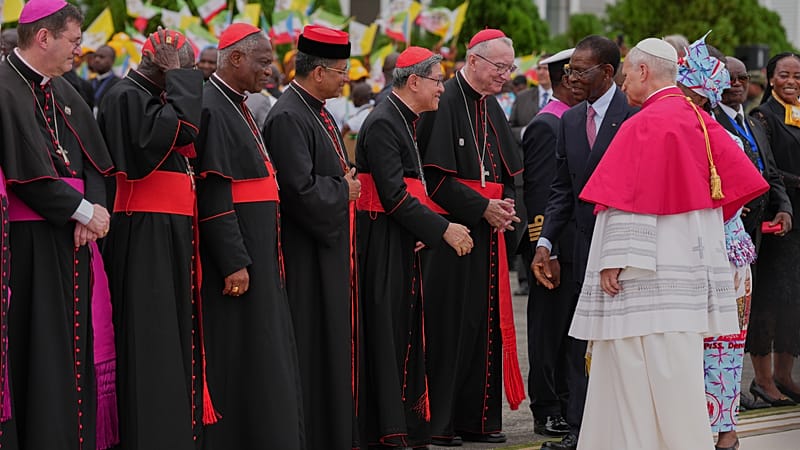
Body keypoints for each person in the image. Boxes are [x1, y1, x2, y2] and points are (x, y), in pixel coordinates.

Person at [570, 37, 768, 450]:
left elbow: (627, 202)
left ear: (644, 72)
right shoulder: (699, 120)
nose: (623, 84)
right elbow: (723, 200)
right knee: (677, 372)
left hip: (645, 275)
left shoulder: (644, 123)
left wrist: (615, 258)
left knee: (632, 368)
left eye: (626, 75)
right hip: (689, 275)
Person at [0, 1, 115, 448]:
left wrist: (90, 212)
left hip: (71, 242)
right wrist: (82, 211)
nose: (79, 51)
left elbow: (95, 163)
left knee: (71, 354)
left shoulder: (66, 92)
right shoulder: (5, 88)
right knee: (39, 352)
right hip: (28, 250)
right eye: (74, 40)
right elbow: (25, 172)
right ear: (44, 37)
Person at [356, 46, 474, 449]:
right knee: (389, 336)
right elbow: (392, 195)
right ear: (414, 81)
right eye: (439, 80)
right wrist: (443, 229)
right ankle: (387, 431)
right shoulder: (386, 122)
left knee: (404, 334)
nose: (443, 88)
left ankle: (403, 426)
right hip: (382, 243)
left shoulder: (404, 119)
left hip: (400, 238)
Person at [97, 28, 207, 449]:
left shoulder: (155, 97)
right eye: (185, 67)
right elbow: (177, 134)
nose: (190, 74)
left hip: (169, 229)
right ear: (162, 62)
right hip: (143, 229)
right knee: (150, 336)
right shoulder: (124, 96)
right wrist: (181, 78)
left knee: (172, 332)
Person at [195, 23, 304, 450]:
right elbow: (214, 193)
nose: (270, 71)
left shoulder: (238, 104)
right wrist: (233, 260)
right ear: (235, 59)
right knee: (241, 351)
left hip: (258, 245)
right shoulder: (210, 106)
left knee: (263, 349)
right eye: (263, 62)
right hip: (239, 256)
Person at [416, 28, 525, 446]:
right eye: (500, 67)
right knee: (449, 328)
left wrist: (507, 209)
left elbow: (508, 173)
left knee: (484, 328)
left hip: (488, 235)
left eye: (509, 68)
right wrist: (482, 208)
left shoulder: (492, 107)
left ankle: (477, 420)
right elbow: (433, 177)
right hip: (450, 234)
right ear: (474, 60)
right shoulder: (441, 102)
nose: (506, 75)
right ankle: (441, 423)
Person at [531, 35, 636, 450]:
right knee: (579, 343)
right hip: (578, 250)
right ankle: (580, 431)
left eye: (580, 70)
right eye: (569, 69)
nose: (570, 77)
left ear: (607, 73)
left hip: (621, 250)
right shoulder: (570, 121)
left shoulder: (633, 117)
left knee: (620, 345)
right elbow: (560, 190)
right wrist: (546, 243)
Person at [263, 24, 361, 450]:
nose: (346, 79)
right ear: (318, 72)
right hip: (306, 256)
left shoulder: (317, 109)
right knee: (313, 346)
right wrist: (345, 189)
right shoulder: (288, 115)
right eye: (341, 72)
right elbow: (298, 193)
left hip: (329, 249)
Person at [521, 48, 577, 439]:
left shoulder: (576, 121)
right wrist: (548, 248)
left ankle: (568, 398)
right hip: (554, 246)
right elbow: (539, 194)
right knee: (548, 330)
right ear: (567, 79)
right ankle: (547, 407)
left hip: (578, 244)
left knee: (571, 331)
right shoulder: (547, 124)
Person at [747, 52, 800, 407]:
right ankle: (763, 380)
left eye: (798, 76)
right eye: (784, 75)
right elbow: (768, 170)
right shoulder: (761, 118)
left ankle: (785, 375)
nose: (792, 82)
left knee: (795, 302)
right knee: (770, 300)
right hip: (779, 219)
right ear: (770, 78)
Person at [90, 45, 120, 111]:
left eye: (102, 57)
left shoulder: (119, 84)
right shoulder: (88, 82)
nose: (97, 60)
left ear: (112, 61)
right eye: (95, 56)